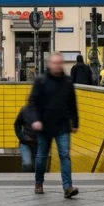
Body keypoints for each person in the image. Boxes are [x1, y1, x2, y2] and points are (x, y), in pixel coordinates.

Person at [27, 53, 79, 198]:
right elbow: (32, 103)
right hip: (44, 126)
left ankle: (67, 187)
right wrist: (35, 120)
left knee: (64, 155)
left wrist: (75, 122)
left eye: (59, 63)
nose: (57, 66)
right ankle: (38, 182)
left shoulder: (67, 81)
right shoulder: (41, 81)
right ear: (49, 64)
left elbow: (72, 103)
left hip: (63, 125)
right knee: (41, 156)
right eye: (55, 63)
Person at [14, 105, 37, 172]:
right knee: (27, 164)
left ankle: (34, 178)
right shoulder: (24, 110)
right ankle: (27, 177)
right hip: (25, 143)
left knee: (36, 167)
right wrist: (22, 137)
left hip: (39, 144)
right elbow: (17, 124)